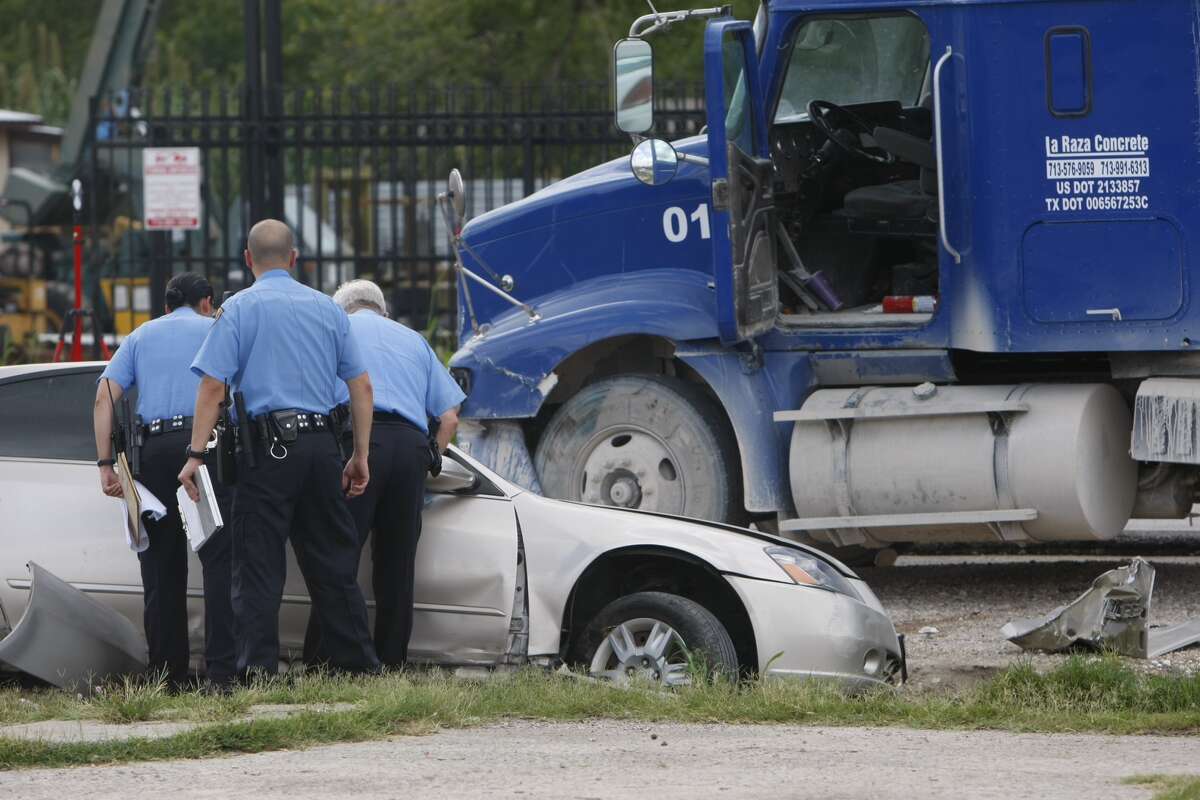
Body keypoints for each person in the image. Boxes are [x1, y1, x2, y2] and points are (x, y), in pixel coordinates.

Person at [178, 219, 380, 678]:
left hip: (266, 453)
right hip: (322, 447)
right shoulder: (329, 311)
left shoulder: (239, 309)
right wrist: (359, 455)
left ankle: (259, 672)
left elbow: (213, 386)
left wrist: (194, 456)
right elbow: (361, 385)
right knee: (332, 564)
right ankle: (359, 668)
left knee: (257, 566)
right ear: (294, 258)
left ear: (248, 260)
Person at [303, 279, 464, 668]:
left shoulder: (336, 331)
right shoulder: (413, 340)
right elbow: (449, 417)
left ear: (343, 310)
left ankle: (324, 661)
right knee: (397, 565)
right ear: (383, 310)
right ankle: (391, 661)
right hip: (410, 449)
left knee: (338, 557)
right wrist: (429, 459)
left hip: (359, 443)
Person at [93, 273, 236, 689]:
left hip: (152, 453)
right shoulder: (217, 329)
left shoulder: (140, 336)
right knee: (218, 562)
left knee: (159, 566)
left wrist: (106, 464)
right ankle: (222, 673)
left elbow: (104, 396)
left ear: (167, 305)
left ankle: (167, 675)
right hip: (205, 447)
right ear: (208, 301)